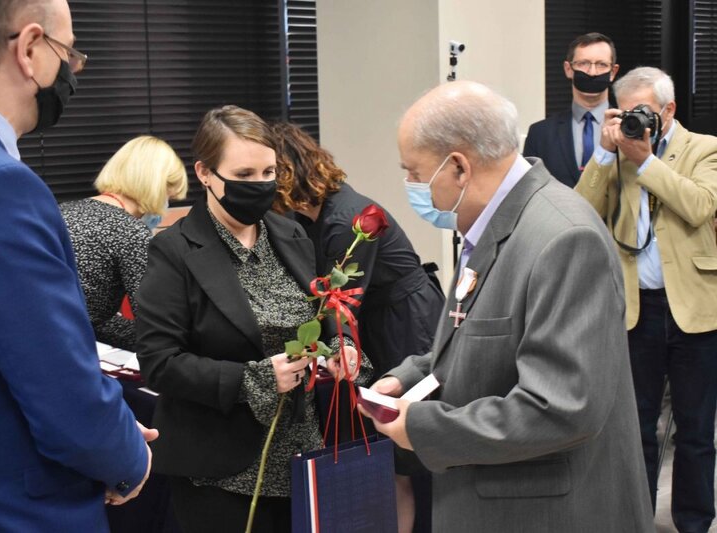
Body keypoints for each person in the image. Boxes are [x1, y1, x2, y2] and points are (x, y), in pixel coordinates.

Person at [361, 80, 654, 532]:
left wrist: (423, 428)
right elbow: (468, 339)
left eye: (415, 173)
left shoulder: (562, 237)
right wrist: (408, 379)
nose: (411, 186)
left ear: (458, 166)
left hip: (546, 511)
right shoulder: (490, 225)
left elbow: (561, 407)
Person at [0, 0, 155, 531]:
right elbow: (64, 397)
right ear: (28, 49)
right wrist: (126, 459)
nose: (71, 72)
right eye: (68, 53)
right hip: (2, 509)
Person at [135, 105, 369, 533]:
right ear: (205, 173)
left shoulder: (291, 233)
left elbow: (320, 312)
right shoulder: (175, 250)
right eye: (244, 175)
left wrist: (343, 347)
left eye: (268, 173)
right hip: (221, 469)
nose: (260, 186)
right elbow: (160, 362)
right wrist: (255, 379)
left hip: (302, 453)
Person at [271, 121, 444, 533]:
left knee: (406, 451)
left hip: (406, 322)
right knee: (392, 447)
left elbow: (343, 300)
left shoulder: (347, 219)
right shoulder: (316, 217)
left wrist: (340, 344)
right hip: (384, 318)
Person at [576, 66, 717, 533]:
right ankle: (634, 519)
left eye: (646, 113)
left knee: (695, 431)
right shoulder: (616, 155)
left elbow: (698, 205)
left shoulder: (704, 148)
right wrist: (603, 153)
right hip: (637, 309)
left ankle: (694, 523)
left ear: (669, 110)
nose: (637, 121)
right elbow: (580, 213)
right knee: (635, 428)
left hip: (695, 308)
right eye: (628, 112)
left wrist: (645, 161)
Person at [60, 135, 187, 351]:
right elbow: (155, 326)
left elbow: (90, 314)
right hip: (75, 349)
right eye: (169, 197)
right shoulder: (131, 231)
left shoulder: (63, 211)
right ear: (156, 187)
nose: (164, 207)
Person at [523, 32, 620, 188]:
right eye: (583, 63)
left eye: (601, 65)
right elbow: (529, 190)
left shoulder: (627, 129)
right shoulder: (540, 134)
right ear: (568, 69)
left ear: (613, 72)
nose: (592, 72)